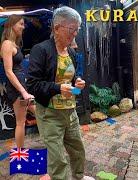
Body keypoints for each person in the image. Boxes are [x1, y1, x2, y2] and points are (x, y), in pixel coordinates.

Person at [26, 6, 94, 180]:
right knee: (57, 158)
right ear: (57, 28)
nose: (75, 34)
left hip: (70, 112)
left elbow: (69, 76)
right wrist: (58, 88)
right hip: (50, 113)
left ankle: (79, 176)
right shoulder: (40, 50)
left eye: (77, 29)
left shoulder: (70, 51)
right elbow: (32, 85)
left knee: (78, 149)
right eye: (72, 29)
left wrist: (77, 82)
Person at [0, 15, 35, 148]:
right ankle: (20, 154)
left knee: (39, 113)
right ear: (12, 25)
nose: (23, 26)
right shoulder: (7, 44)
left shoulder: (14, 43)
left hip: (22, 87)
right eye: (21, 23)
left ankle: (52, 141)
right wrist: (23, 92)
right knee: (20, 122)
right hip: (17, 89)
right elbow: (9, 71)